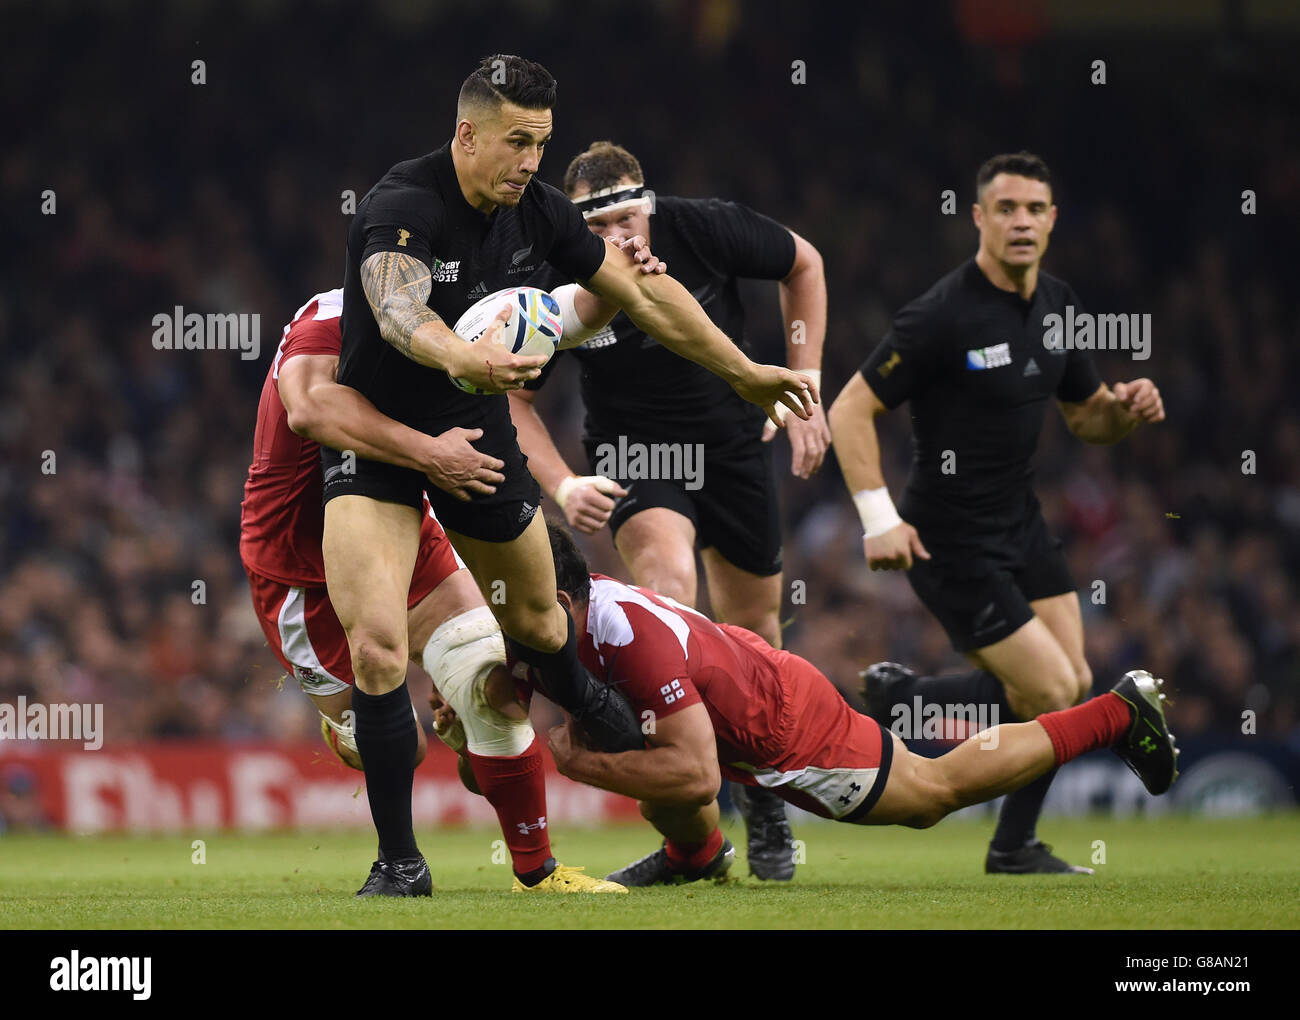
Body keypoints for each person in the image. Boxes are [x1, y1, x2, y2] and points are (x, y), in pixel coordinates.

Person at [324, 55, 817, 895]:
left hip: (477, 443)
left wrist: (746, 372)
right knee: (375, 651)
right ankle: (399, 863)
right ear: (467, 133)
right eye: (516, 142)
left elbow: (643, 294)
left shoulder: (543, 212)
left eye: (541, 144)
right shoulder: (403, 204)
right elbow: (396, 309)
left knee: (545, 624)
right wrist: (465, 357)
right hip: (379, 442)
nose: (529, 161)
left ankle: (577, 697)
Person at [240, 277, 665, 895]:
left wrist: (617, 274)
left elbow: (569, 311)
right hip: (300, 572)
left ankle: (537, 873)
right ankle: (384, 804)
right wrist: (430, 453)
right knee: (400, 747)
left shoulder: (468, 318)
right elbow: (308, 409)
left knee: (487, 677)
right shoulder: (330, 321)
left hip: (400, 523)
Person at [827, 152, 1167, 874]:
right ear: (979, 218)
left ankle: (930, 727)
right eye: (1006, 209)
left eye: (1035, 209)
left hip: (1021, 521)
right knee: (1048, 690)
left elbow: (1088, 419)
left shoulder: (1058, 306)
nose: (1021, 221)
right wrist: (878, 516)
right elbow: (851, 407)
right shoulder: (941, 314)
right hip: (948, 540)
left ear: (1051, 220)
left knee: (1069, 682)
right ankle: (997, 826)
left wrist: (1126, 410)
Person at [507, 141, 830, 880]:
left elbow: (802, 262)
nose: (624, 235)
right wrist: (562, 485)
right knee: (667, 590)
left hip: (735, 446)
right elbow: (515, 398)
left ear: (648, 204)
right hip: (637, 456)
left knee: (757, 634)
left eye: (631, 215)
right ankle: (692, 813)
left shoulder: (704, 228)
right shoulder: (564, 274)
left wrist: (806, 377)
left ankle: (765, 797)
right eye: (606, 226)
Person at [534, 523, 1177, 885]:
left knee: (931, 793)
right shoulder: (563, 616)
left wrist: (580, 766)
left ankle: (1117, 715)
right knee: (648, 769)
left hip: (784, 731)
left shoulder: (628, 639)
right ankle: (696, 859)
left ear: (562, 602)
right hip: (749, 677)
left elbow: (698, 776)